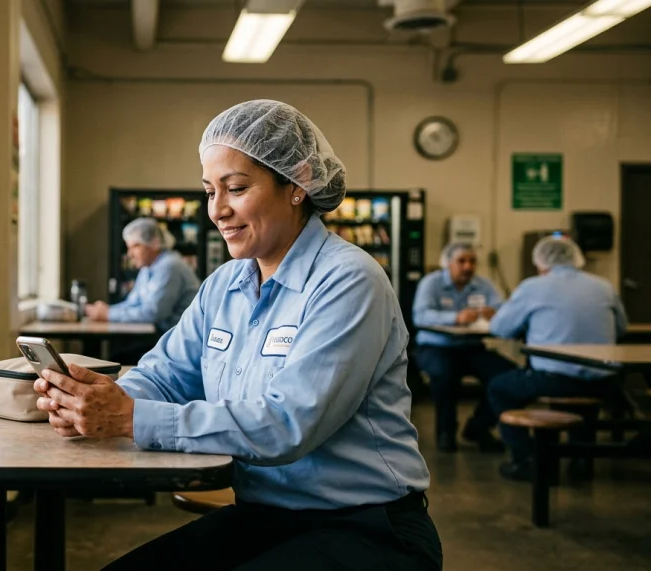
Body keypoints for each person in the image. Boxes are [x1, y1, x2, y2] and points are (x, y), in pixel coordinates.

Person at [34, 100, 441, 570]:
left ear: (296, 184)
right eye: (210, 191)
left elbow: (288, 424)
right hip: (265, 517)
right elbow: (166, 374)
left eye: (237, 188)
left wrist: (128, 419)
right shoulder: (225, 285)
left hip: (366, 529)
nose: (218, 210)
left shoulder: (349, 281)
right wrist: (100, 400)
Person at [487, 235, 628, 481]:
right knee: (585, 393)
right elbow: (621, 328)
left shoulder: (533, 287)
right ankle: (581, 460)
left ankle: (529, 459)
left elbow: (500, 328)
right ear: (577, 258)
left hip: (554, 379)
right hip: (605, 380)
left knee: (499, 388)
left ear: (541, 262)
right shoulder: (604, 286)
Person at [412, 242, 516, 453]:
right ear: (448, 264)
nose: (467, 267)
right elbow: (420, 316)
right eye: (461, 261)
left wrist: (495, 314)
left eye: (472, 261)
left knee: (508, 374)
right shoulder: (431, 283)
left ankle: (479, 426)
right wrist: (455, 317)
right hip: (436, 346)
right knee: (444, 374)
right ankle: (445, 432)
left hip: (471, 347)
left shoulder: (483, 284)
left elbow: (503, 309)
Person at [85, 217, 200, 363]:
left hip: (178, 345)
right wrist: (107, 310)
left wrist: (108, 314)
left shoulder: (170, 266)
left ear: (153, 243)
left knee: (115, 360)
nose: (130, 254)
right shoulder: (148, 266)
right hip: (160, 338)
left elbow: (153, 313)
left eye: (135, 246)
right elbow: (132, 302)